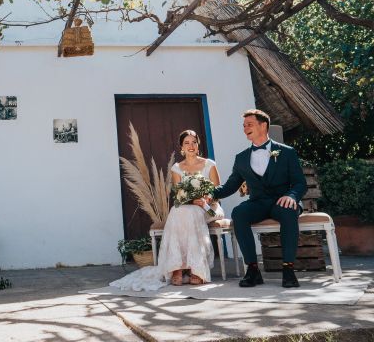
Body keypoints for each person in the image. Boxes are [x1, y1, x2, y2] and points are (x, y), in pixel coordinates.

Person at [110, 129, 224, 291]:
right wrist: (192, 199)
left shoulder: (209, 164)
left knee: (188, 213)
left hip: (209, 207)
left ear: (198, 145)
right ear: (181, 147)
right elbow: (179, 195)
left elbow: (218, 192)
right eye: (187, 143)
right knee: (177, 212)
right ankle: (178, 266)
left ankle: (196, 270)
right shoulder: (177, 168)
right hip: (187, 205)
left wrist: (206, 199)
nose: (191, 146)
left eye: (194, 142)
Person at [211, 109, 306, 289]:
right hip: (258, 203)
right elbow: (230, 186)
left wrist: (291, 195)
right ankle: (253, 270)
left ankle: (288, 269)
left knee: (288, 211)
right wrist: (211, 193)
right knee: (239, 213)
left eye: (250, 124)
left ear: (264, 125)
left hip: (282, 201)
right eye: (244, 125)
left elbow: (300, 183)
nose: (245, 128)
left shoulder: (287, 152)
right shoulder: (241, 158)